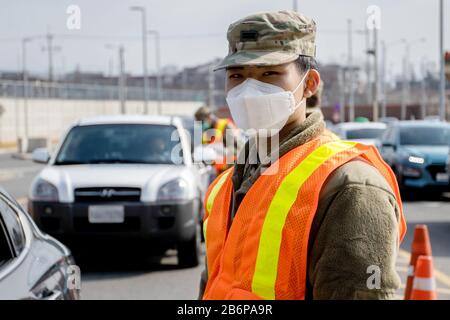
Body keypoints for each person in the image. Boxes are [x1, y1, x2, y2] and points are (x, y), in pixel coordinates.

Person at [199, 10, 406, 300]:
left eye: (269, 73)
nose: (249, 90)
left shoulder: (349, 185)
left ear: (309, 84)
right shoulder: (227, 184)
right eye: (237, 76)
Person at [194, 106, 241, 174]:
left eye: (202, 122)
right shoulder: (206, 132)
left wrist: (222, 151)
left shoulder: (225, 125)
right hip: (219, 172)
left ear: (209, 117)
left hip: (233, 169)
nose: (202, 125)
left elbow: (238, 149)